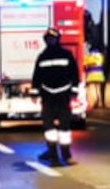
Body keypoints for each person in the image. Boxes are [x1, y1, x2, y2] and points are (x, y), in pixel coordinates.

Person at [31, 27, 80, 165]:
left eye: (52, 39)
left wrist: (74, 91)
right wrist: (34, 93)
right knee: (51, 128)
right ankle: (55, 156)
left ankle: (64, 155)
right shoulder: (44, 57)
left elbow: (74, 74)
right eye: (49, 39)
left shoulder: (63, 55)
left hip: (59, 97)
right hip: (51, 97)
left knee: (63, 128)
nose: (51, 41)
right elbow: (37, 77)